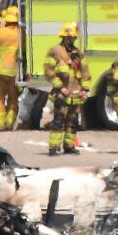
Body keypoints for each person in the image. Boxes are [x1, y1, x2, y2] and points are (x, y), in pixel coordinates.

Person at [44, 22, 88, 156]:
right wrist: (59, 87)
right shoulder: (55, 51)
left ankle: (69, 146)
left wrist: (85, 90)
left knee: (73, 122)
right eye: (72, 37)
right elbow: (48, 71)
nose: (74, 39)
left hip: (75, 94)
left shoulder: (77, 53)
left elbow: (85, 71)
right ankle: (54, 147)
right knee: (59, 120)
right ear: (65, 37)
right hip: (62, 93)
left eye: (75, 37)